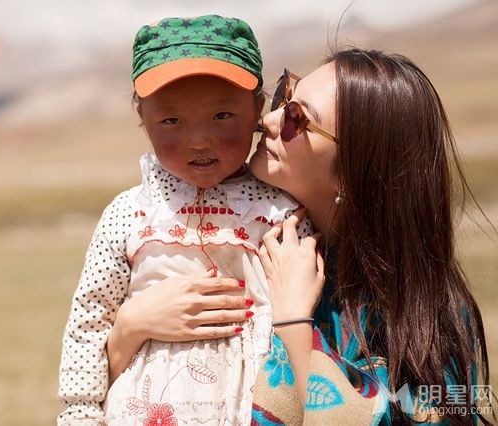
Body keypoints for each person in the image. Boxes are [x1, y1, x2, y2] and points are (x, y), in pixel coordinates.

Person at [109, 48, 495, 425]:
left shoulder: (421, 318)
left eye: (297, 117)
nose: (269, 120)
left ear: (355, 169)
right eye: (284, 96)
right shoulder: (250, 241)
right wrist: (130, 328)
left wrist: (293, 320)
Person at [57, 15, 313, 425]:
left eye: (222, 116)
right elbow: (89, 324)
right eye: (172, 121)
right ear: (143, 118)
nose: (199, 139)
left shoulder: (282, 213)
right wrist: (81, 413)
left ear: (257, 109)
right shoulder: (129, 215)